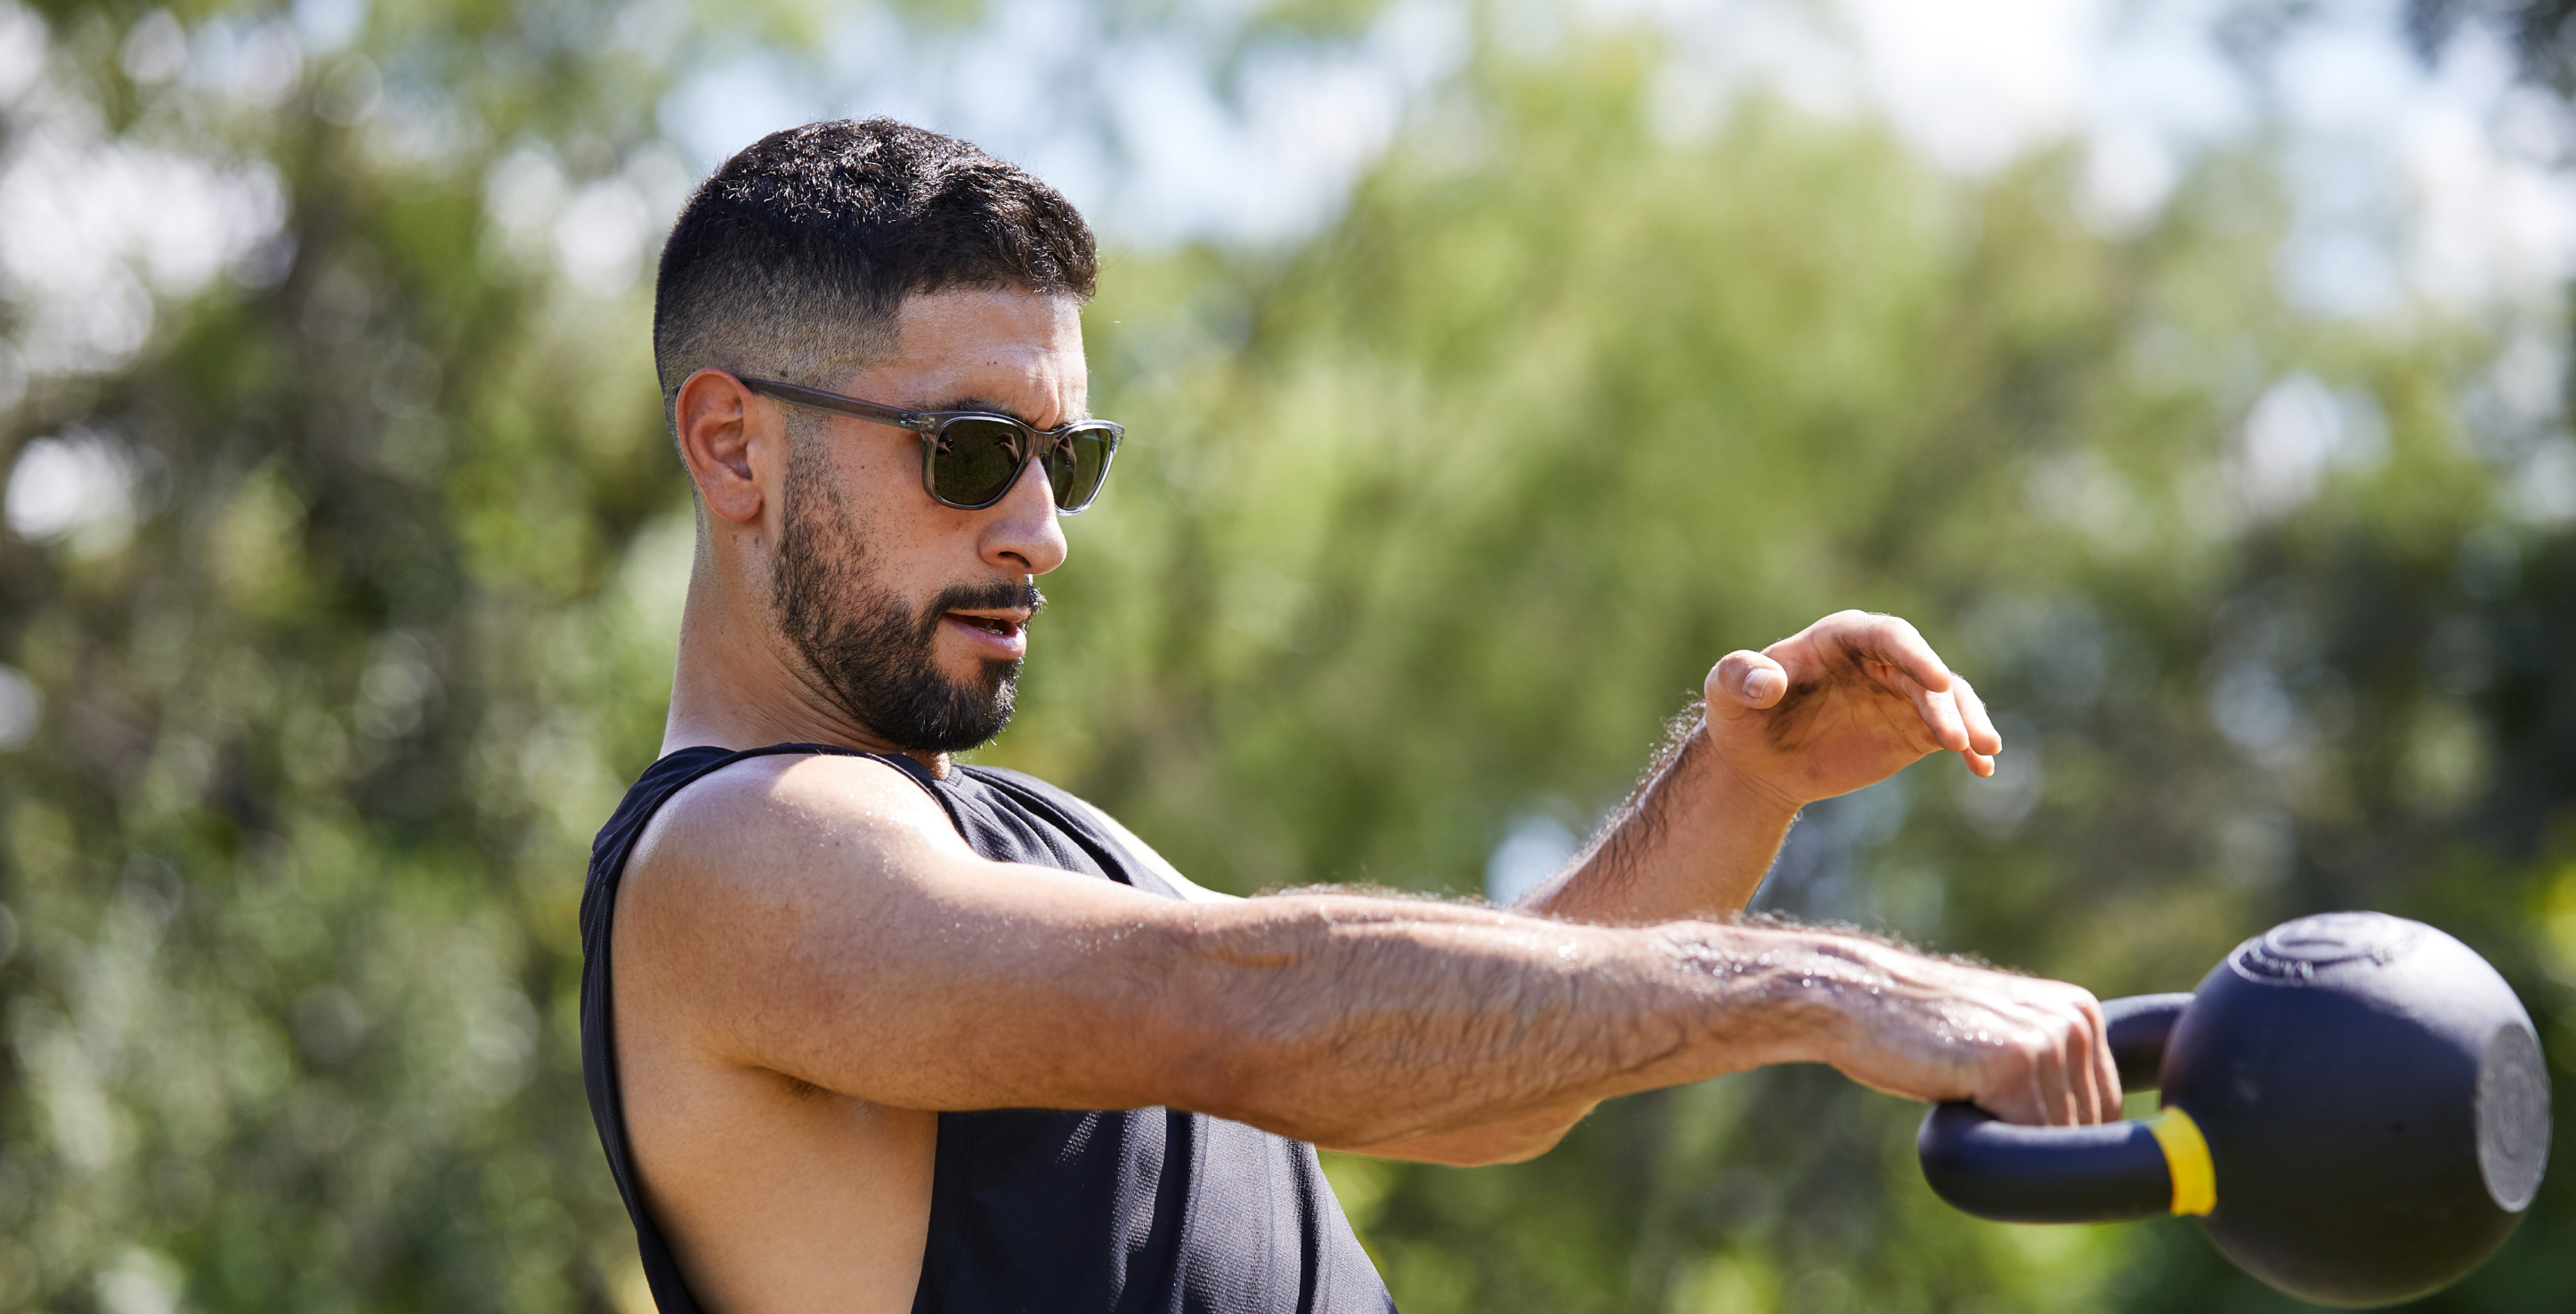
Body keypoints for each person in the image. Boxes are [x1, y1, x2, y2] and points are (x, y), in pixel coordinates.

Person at [579, 118, 2121, 1314]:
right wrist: (1822, 985)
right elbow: (1254, 1007)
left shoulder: (1022, 844)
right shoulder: (728, 864)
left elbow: (1460, 1090)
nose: (1042, 532)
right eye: (974, 450)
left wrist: (1727, 794)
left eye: (1072, 457)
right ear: (733, 449)